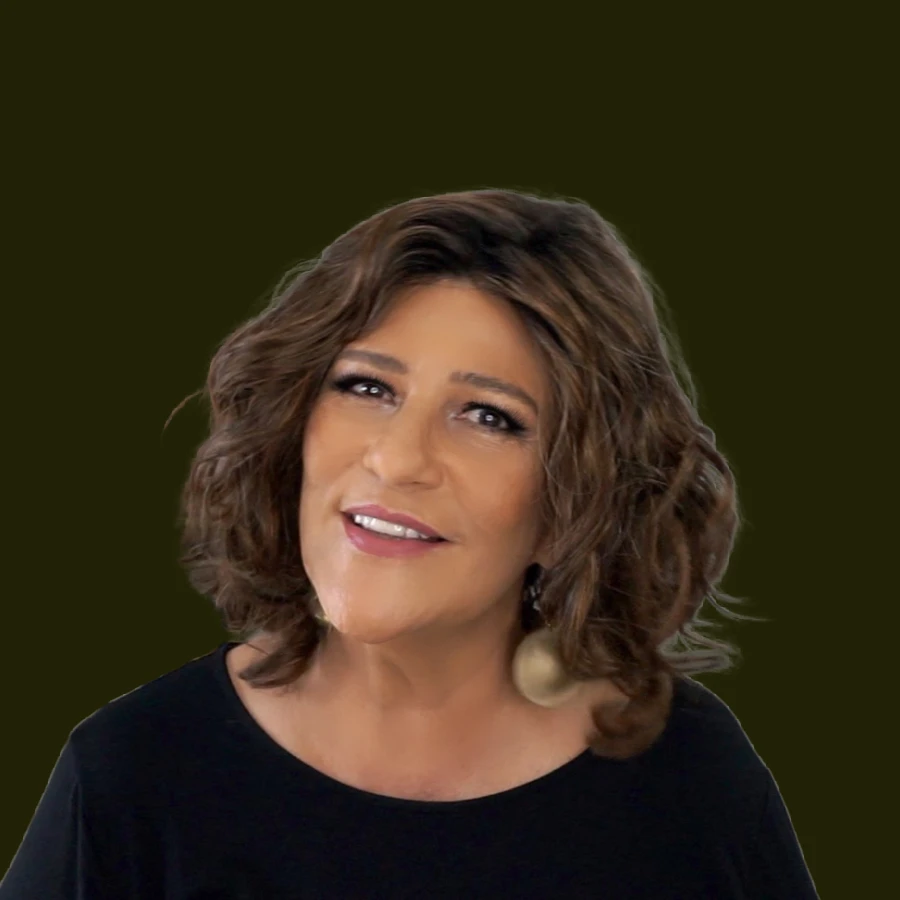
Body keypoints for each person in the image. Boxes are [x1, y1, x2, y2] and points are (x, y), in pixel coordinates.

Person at [1, 189, 819, 898]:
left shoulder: (690, 783)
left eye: (489, 417)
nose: (397, 459)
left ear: (580, 496)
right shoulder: (132, 777)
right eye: (367, 386)